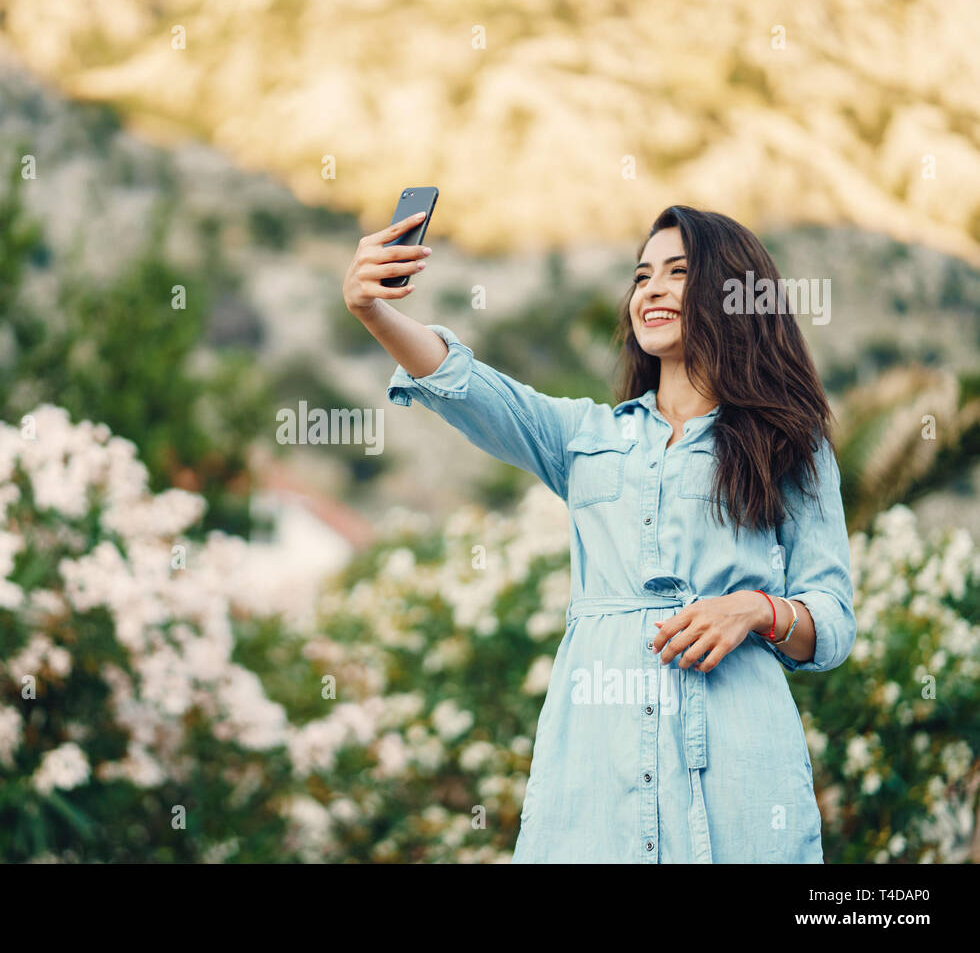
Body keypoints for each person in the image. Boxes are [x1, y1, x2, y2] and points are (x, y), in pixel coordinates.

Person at [341, 204, 856, 863]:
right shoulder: (586, 436)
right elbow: (465, 384)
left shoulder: (791, 444)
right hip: (595, 758)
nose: (653, 290)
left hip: (740, 762)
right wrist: (374, 313)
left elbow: (833, 621)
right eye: (642, 277)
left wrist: (756, 609)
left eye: (678, 273)